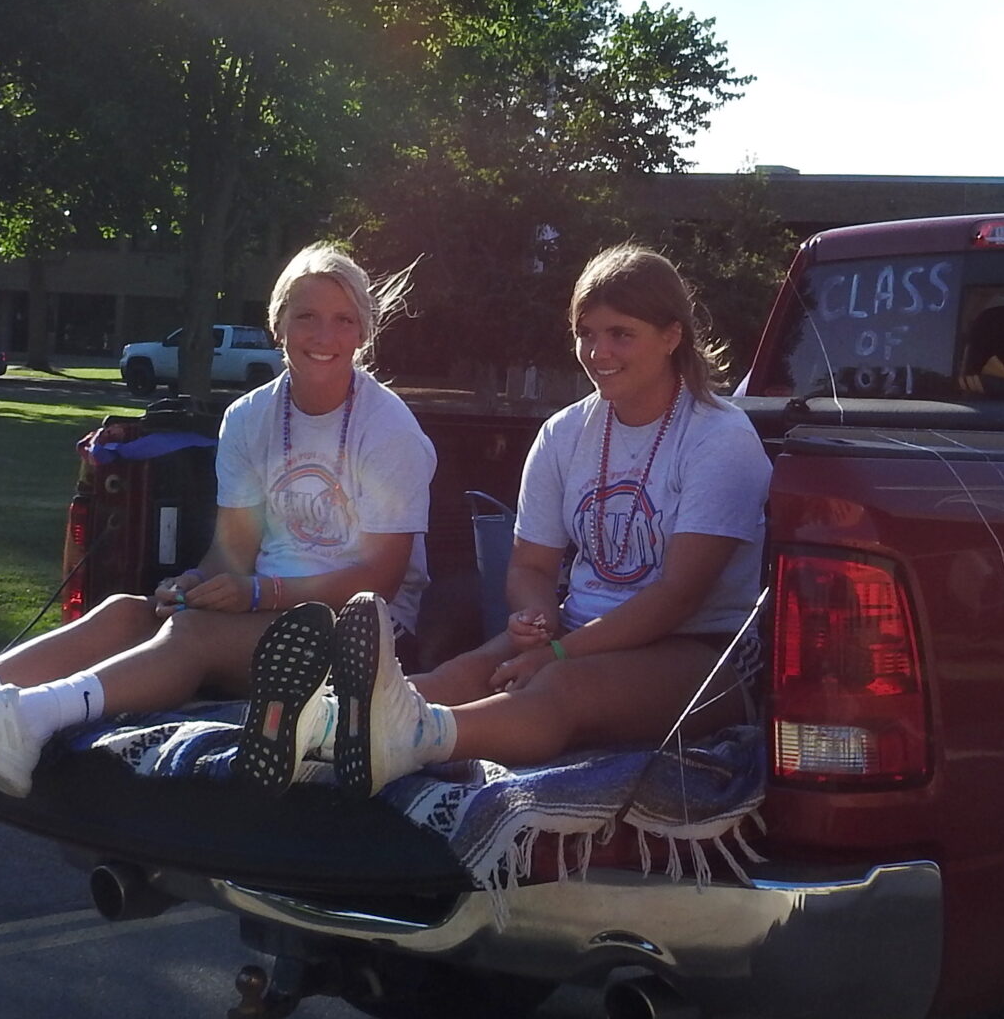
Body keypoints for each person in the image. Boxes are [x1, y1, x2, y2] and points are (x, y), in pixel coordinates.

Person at [0, 244, 433, 797]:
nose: (324, 333)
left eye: (343, 319)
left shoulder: (389, 429)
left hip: (362, 636)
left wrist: (254, 593)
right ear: (277, 325)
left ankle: (25, 724)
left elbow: (378, 577)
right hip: (263, 610)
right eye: (307, 315)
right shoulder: (249, 417)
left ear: (362, 335)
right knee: (128, 610)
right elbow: (234, 549)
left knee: (192, 636)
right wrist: (194, 586)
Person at [298, 244, 770, 795]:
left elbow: (679, 596)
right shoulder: (564, 433)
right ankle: (318, 727)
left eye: (621, 333)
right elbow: (531, 565)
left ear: (672, 337)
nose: (599, 352)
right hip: (574, 633)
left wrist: (557, 653)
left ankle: (406, 737)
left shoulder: (721, 437)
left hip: (704, 653)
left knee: (562, 688)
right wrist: (537, 618)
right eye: (586, 333)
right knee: (465, 672)